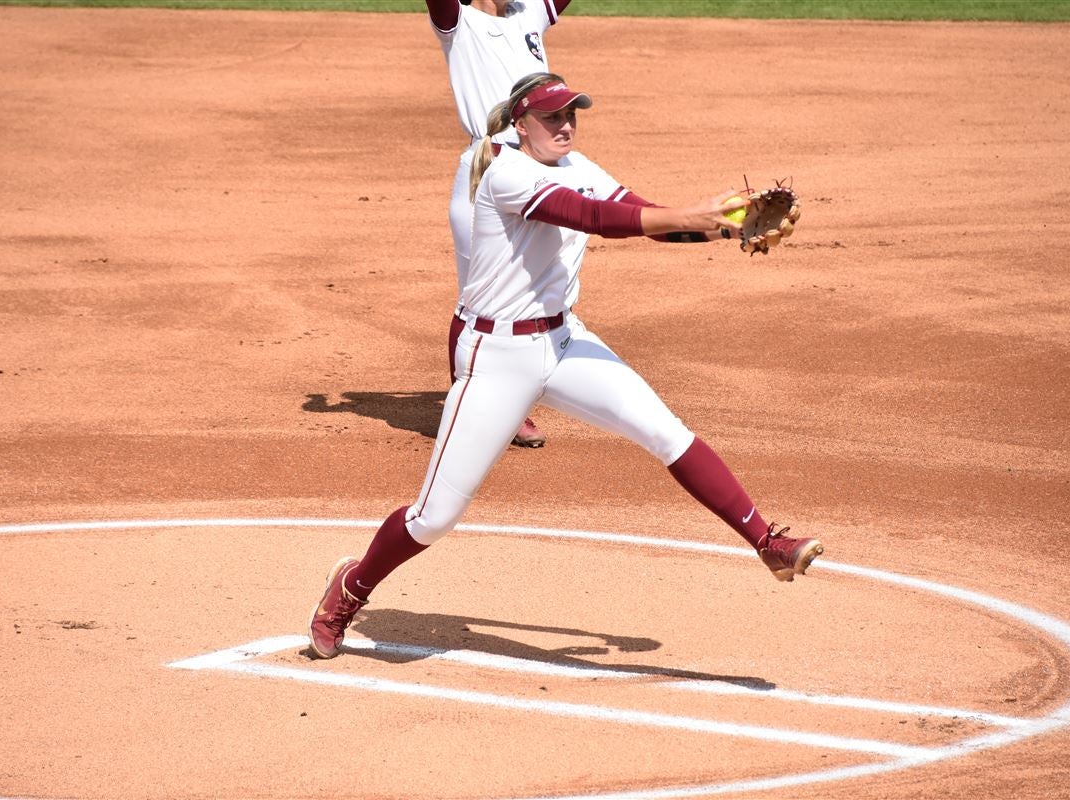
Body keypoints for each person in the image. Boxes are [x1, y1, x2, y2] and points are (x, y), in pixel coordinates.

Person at [309, 73, 824, 660]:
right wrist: (697, 211)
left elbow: (643, 216)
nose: (566, 125)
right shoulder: (506, 173)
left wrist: (718, 226)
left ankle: (767, 543)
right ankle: (349, 589)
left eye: (572, 114)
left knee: (665, 433)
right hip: (495, 358)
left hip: (563, 343)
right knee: (434, 517)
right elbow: (593, 220)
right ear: (519, 124)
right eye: (553, 117)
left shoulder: (579, 166)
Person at [427, 0, 572, 448]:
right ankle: (471, 405)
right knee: (478, 297)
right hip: (488, 167)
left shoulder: (527, 14)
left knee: (542, 283)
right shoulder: (458, 22)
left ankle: (510, 397)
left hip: (543, 166)